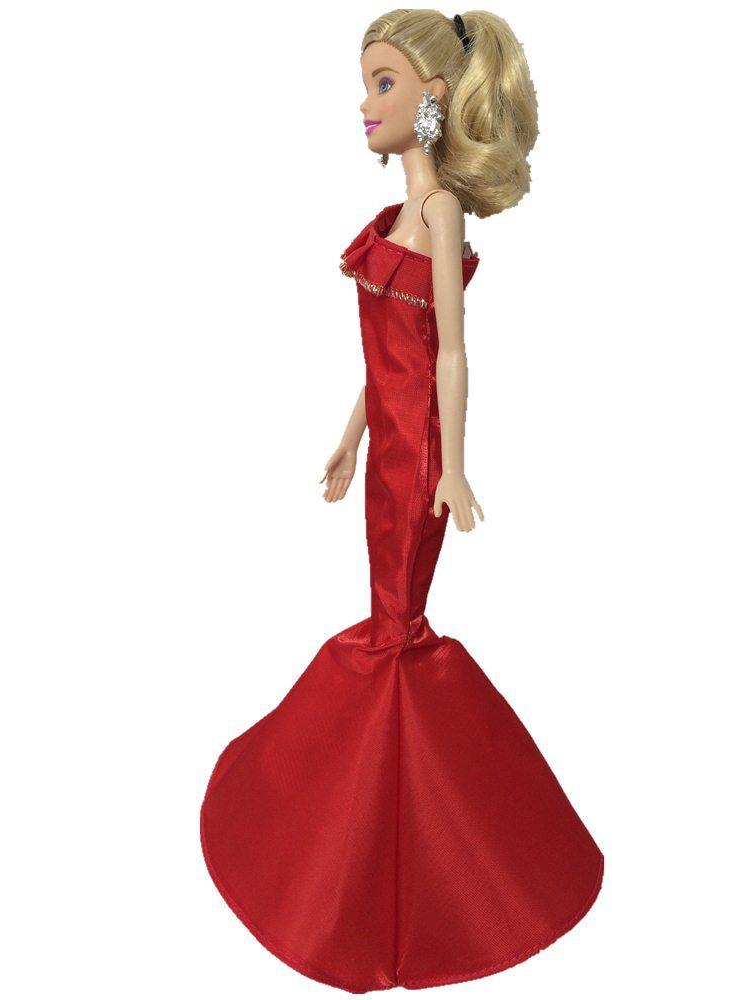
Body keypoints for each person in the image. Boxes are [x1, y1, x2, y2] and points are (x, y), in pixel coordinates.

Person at [201, 11, 603, 992]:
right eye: (366, 81)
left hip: (419, 456)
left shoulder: (442, 214)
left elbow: (450, 355)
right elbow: (384, 357)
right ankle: (366, 792)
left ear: (433, 97)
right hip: (385, 446)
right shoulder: (395, 219)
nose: (363, 103)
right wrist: (350, 436)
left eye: (383, 82)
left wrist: (452, 465)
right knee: (385, 620)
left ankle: (408, 826)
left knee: (396, 626)